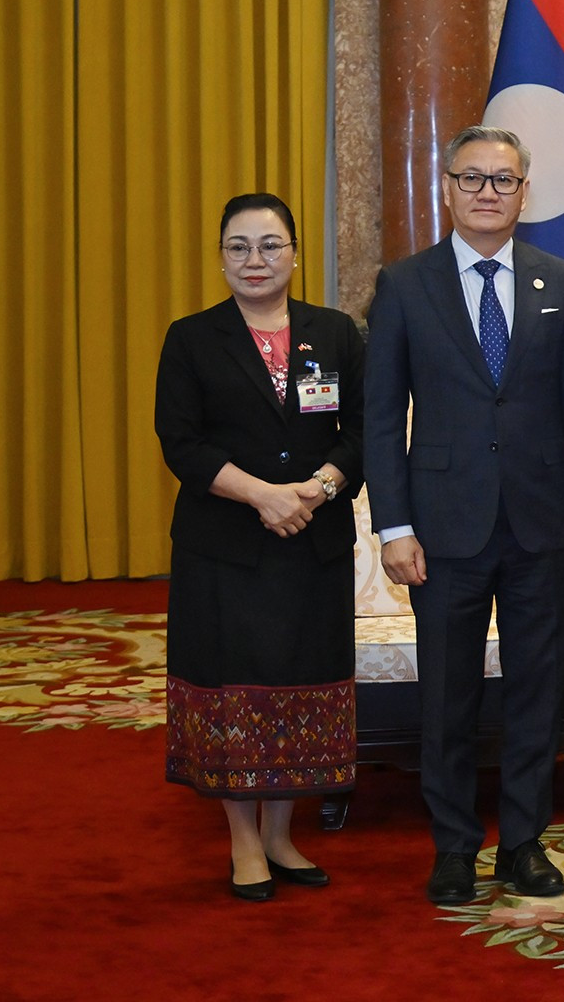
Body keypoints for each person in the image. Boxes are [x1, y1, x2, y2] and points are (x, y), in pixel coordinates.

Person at [363, 126, 564, 907]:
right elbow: (379, 417)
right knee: (448, 698)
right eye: (472, 179)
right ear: (446, 189)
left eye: (503, 181)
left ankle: (525, 844)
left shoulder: (558, 281)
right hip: (442, 530)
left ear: (524, 193)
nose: (487, 193)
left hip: (542, 526)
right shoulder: (405, 285)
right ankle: (454, 848)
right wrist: (393, 527)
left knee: (537, 692)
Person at [155, 193, 364, 901]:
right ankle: (244, 842)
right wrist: (262, 495)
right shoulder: (191, 338)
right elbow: (181, 442)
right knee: (233, 694)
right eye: (239, 247)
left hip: (315, 544)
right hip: (226, 549)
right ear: (220, 258)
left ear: (296, 254)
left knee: (299, 688)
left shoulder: (334, 333)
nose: (255, 260)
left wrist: (318, 488)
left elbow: (362, 431)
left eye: (270, 245)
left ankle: (281, 834)